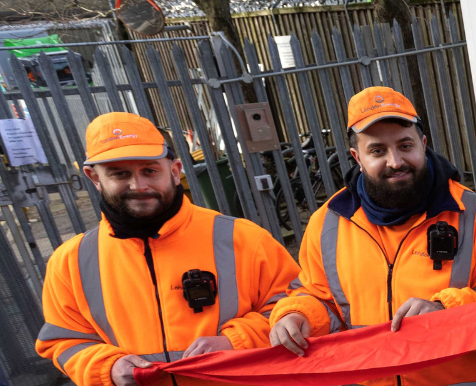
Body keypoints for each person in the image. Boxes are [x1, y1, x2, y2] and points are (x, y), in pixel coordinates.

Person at [267, 87, 476, 386]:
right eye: (377, 150)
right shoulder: (327, 223)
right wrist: (298, 316)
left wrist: (446, 310)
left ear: (423, 144)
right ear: (357, 157)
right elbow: (318, 296)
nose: (395, 161)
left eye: (405, 145)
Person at [34, 112, 299, 386]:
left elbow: (294, 307)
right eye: (120, 174)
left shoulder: (243, 238)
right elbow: (63, 341)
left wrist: (235, 340)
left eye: (150, 170)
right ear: (94, 178)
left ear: (174, 171)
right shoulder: (70, 261)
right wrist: (107, 368)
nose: (138, 185)